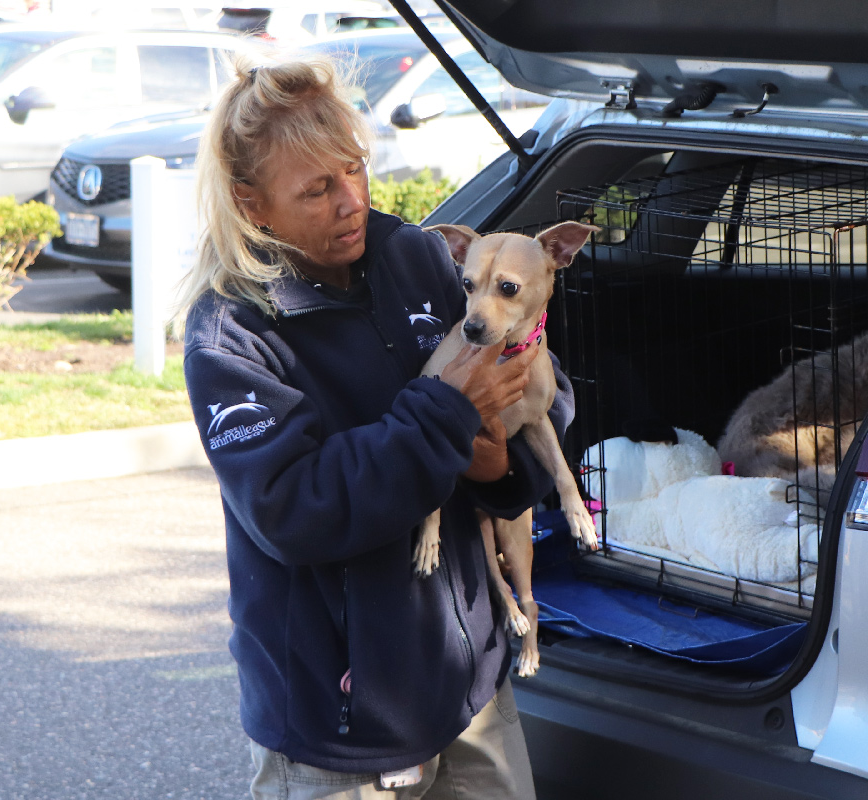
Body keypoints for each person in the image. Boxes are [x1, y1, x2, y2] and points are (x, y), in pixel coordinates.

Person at [177, 54, 574, 799]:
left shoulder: (414, 256)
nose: (351, 201)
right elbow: (293, 510)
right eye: (316, 189)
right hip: (340, 727)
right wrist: (447, 412)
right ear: (251, 203)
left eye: (355, 169)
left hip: (469, 687)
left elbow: (537, 385)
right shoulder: (233, 333)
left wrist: (501, 468)